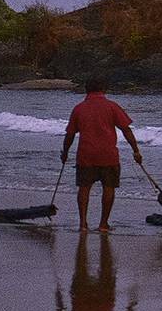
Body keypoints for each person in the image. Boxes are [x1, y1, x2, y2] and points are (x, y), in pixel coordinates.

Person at [61, 76, 143, 232]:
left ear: (86, 90)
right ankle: (103, 224)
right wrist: (136, 151)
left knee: (84, 188)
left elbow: (70, 134)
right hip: (108, 155)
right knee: (109, 188)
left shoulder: (79, 108)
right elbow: (126, 129)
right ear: (104, 90)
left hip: (86, 154)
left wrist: (65, 153)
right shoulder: (112, 106)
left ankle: (83, 223)